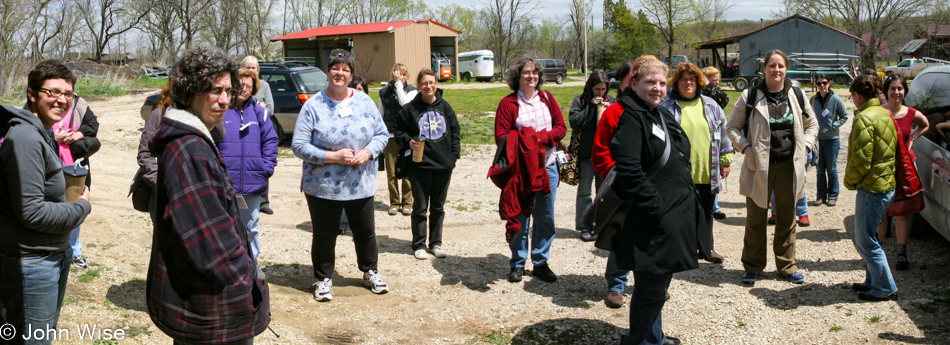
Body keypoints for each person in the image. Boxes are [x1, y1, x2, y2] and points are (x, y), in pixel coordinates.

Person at [146, 47, 269, 344]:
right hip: (212, 311)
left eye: (228, 90)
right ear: (191, 91)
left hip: (207, 302)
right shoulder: (189, 150)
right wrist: (249, 280)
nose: (225, 100)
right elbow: (209, 244)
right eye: (215, 90)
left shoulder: (196, 141)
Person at [611, 58, 707, 345]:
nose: (658, 88)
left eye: (663, 83)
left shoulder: (656, 113)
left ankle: (653, 337)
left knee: (657, 287)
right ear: (634, 83)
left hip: (667, 219)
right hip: (651, 221)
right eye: (650, 82)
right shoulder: (631, 116)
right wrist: (656, 207)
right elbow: (628, 170)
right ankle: (642, 341)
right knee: (650, 288)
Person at [0, 60, 92, 345]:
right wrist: (82, 206)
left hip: (51, 252)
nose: (62, 100)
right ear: (32, 94)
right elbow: (32, 211)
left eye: (68, 94)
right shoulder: (25, 137)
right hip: (31, 261)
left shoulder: (44, 132)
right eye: (53, 92)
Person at [292, 49, 391, 302]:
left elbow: (382, 134)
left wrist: (368, 152)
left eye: (345, 69)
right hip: (323, 187)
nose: (340, 73)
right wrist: (332, 156)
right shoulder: (313, 105)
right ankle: (323, 279)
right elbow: (299, 145)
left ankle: (370, 272)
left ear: (351, 74)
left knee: (365, 231)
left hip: (361, 184)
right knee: (324, 233)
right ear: (327, 72)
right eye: (335, 68)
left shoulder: (364, 102)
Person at [725, 49, 818, 285]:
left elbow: (812, 124)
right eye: (772, 65)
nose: (776, 70)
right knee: (756, 219)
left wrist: (806, 147)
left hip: (790, 166)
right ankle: (753, 267)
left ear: (786, 69)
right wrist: (746, 148)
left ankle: (787, 266)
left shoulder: (796, 94)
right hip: (760, 167)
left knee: (787, 219)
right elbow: (732, 127)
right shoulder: (751, 94)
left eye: (781, 66)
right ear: (764, 68)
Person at [592, 55, 658, 309]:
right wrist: (621, 179)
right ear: (631, 82)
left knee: (652, 239)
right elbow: (600, 152)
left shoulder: (659, 112)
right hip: (624, 189)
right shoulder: (615, 112)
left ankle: (650, 285)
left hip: (652, 190)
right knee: (621, 237)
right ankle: (616, 284)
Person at [494, 57, 566, 283]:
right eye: (527, 72)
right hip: (521, 171)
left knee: (545, 217)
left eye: (535, 72)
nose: (532, 76)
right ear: (517, 76)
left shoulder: (547, 98)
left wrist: (541, 138)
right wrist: (527, 142)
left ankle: (540, 262)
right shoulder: (508, 104)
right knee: (520, 215)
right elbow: (501, 136)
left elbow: (561, 127)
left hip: (547, 167)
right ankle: (517, 262)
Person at [660, 62, 732, 264]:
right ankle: (684, 250)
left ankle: (706, 248)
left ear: (699, 82)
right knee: (680, 214)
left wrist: (726, 160)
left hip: (706, 170)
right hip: (678, 173)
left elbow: (723, 131)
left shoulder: (710, 105)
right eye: (683, 79)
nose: (688, 83)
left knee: (707, 212)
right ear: (676, 83)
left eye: (692, 79)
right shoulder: (666, 107)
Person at [393, 69, 460, 260]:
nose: (428, 86)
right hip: (419, 166)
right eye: (424, 83)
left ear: (436, 84)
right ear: (419, 85)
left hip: (443, 166)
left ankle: (436, 243)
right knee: (420, 207)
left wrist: (453, 156)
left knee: (438, 207)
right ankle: (419, 244)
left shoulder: (445, 107)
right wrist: (408, 141)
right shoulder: (410, 109)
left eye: (432, 82)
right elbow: (397, 130)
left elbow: (455, 132)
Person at [845, 74, 899, 301]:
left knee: (866, 241)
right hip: (886, 184)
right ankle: (872, 281)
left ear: (858, 96)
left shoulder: (864, 118)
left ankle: (886, 287)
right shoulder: (884, 113)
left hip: (872, 188)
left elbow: (861, 160)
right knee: (871, 237)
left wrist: (850, 181)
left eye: (852, 96)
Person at [217, 68, 279, 261]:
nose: (244, 89)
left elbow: (271, 140)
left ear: (254, 89)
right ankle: (226, 265)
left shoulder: (260, 112)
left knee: (251, 227)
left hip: (253, 182)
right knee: (223, 227)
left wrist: (266, 167)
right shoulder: (221, 110)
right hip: (225, 182)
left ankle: (252, 266)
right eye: (240, 85)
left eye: (249, 86)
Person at [877, 73, 928, 271]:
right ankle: (878, 254)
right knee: (882, 212)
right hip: (884, 168)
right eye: (892, 88)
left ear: (904, 91)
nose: (896, 92)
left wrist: (913, 139)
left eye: (900, 88)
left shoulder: (911, 113)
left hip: (905, 169)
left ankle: (901, 253)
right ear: (886, 91)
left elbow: (925, 124)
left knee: (903, 213)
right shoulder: (879, 112)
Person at [50, 94, 99, 269]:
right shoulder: (41, 103)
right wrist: (52, 137)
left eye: (68, 91)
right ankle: (53, 250)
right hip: (49, 162)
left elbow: (93, 125)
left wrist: (77, 134)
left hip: (75, 165)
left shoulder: (80, 104)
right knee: (52, 205)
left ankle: (74, 251)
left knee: (75, 204)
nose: (63, 97)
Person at [568, 70, 614, 242]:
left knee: (604, 193)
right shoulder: (580, 101)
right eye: (597, 89)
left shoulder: (612, 101)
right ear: (590, 87)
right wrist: (591, 107)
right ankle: (584, 226)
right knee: (585, 193)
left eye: (603, 89)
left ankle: (601, 224)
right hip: (586, 156)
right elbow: (575, 122)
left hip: (606, 156)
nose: (601, 93)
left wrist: (609, 111)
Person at [379, 63, 417, 216]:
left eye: (403, 74)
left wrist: (398, 85)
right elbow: (379, 115)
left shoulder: (412, 91)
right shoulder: (383, 93)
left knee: (407, 171)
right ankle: (394, 202)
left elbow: (405, 103)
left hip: (407, 136)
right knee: (391, 172)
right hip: (390, 136)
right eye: (397, 74)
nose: (401, 77)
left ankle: (407, 203)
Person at [807, 74, 849, 207]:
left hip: (832, 140)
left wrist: (834, 125)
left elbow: (844, 116)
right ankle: (821, 196)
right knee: (819, 170)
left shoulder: (836, 99)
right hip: (818, 141)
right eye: (819, 83)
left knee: (831, 169)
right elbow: (807, 116)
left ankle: (833, 195)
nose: (822, 86)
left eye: (824, 83)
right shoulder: (813, 99)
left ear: (829, 84)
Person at [241, 56, 276, 215]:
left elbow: (270, 108)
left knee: (259, 165)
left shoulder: (265, 85)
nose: (251, 70)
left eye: (253, 67)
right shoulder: (238, 87)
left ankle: (263, 202)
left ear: (258, 69)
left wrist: (260, 110)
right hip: (242, 129)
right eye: (247, 67)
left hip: (259, 128)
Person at [701, 66, 730, 220]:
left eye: (718, 79)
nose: (717, 82)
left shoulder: (714, 91)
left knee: (715, 170)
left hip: (717, 129)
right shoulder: (703, 91)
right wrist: (707, 85)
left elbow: (725, 100)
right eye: (713, 79)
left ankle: (715, 207)